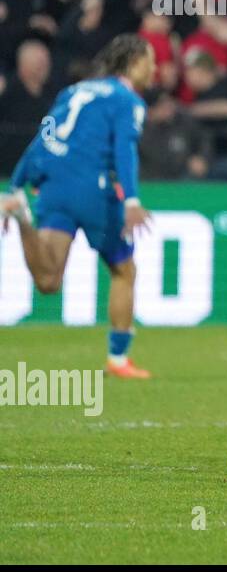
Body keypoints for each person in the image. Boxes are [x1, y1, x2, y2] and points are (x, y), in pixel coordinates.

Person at [1, 34, 154, 378]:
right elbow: (123, 150)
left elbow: (43, 136)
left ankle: (22, 216)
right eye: (150, 60)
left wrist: (15, 185)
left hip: (53, 185)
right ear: (132, 63)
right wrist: (131, 200)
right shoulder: (127, 100)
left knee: (48, 280)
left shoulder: (73, 91)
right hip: (93, 190)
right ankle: (118, 360)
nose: (154, 68)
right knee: (123, 270)